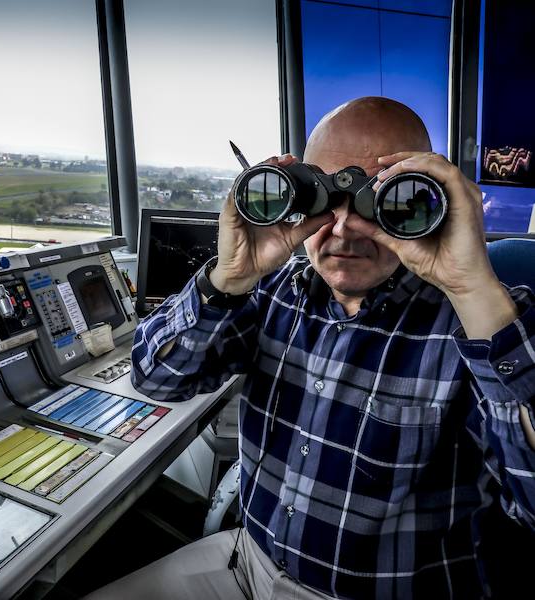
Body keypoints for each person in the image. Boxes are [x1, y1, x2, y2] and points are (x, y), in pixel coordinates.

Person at [86, 97, 535, 599]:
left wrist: (475, 290)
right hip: (247, 562)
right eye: (324, 199)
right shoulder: (273, 290)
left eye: (383, 199)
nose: (344, 228)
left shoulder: (482, 324)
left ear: (433, 202)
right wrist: (227, 278)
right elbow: (156, 379)